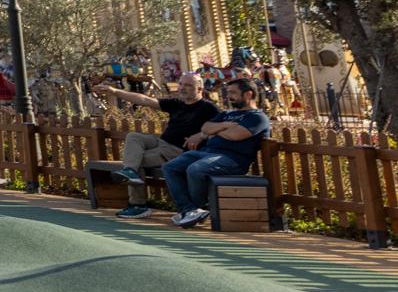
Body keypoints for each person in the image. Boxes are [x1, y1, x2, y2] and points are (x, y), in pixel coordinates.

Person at [91, 72, 214, 217]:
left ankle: (138, 205)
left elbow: (225, 126)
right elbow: (144, 100)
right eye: (181, 84)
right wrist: (114, 91)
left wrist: (202, 135)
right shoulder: (177, 104)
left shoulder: (208, 108)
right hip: (161, 142)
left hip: (177, 151)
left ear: (199, 89)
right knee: (134, 137)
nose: (182, 88)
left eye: (188, 85)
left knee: (136, 162)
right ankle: (130, 173)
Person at [157, 78, 272, 229]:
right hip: (206, 153)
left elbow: (236, 135)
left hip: (232, 159)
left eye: (233, 93)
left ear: (248, 94)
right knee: (170, 167)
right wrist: (225, 126)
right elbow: (205, 127)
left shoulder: (257, 117)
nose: (228, 96)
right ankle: (190, 210)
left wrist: (216, 131)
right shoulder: (227, 115)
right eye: (228, 92)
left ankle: (194, 209)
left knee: (195, 169)